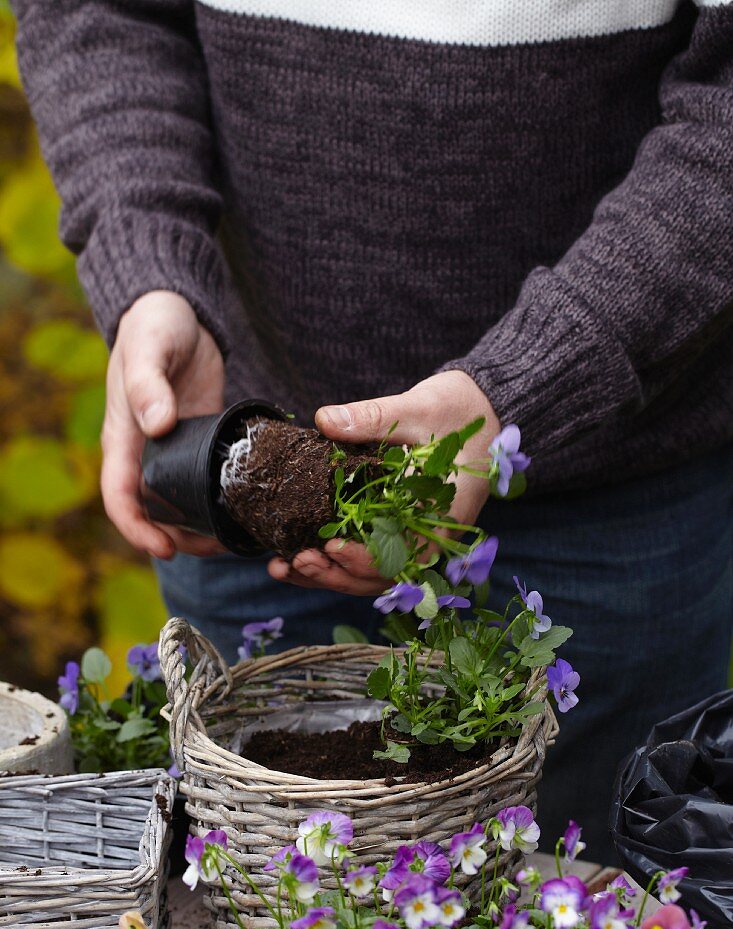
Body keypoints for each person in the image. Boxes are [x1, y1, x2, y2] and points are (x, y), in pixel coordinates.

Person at [13, 0, 733, 859]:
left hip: (611, 501)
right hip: (247, 472)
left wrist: (534, 379)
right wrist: (150, 260)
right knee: (262, 913)